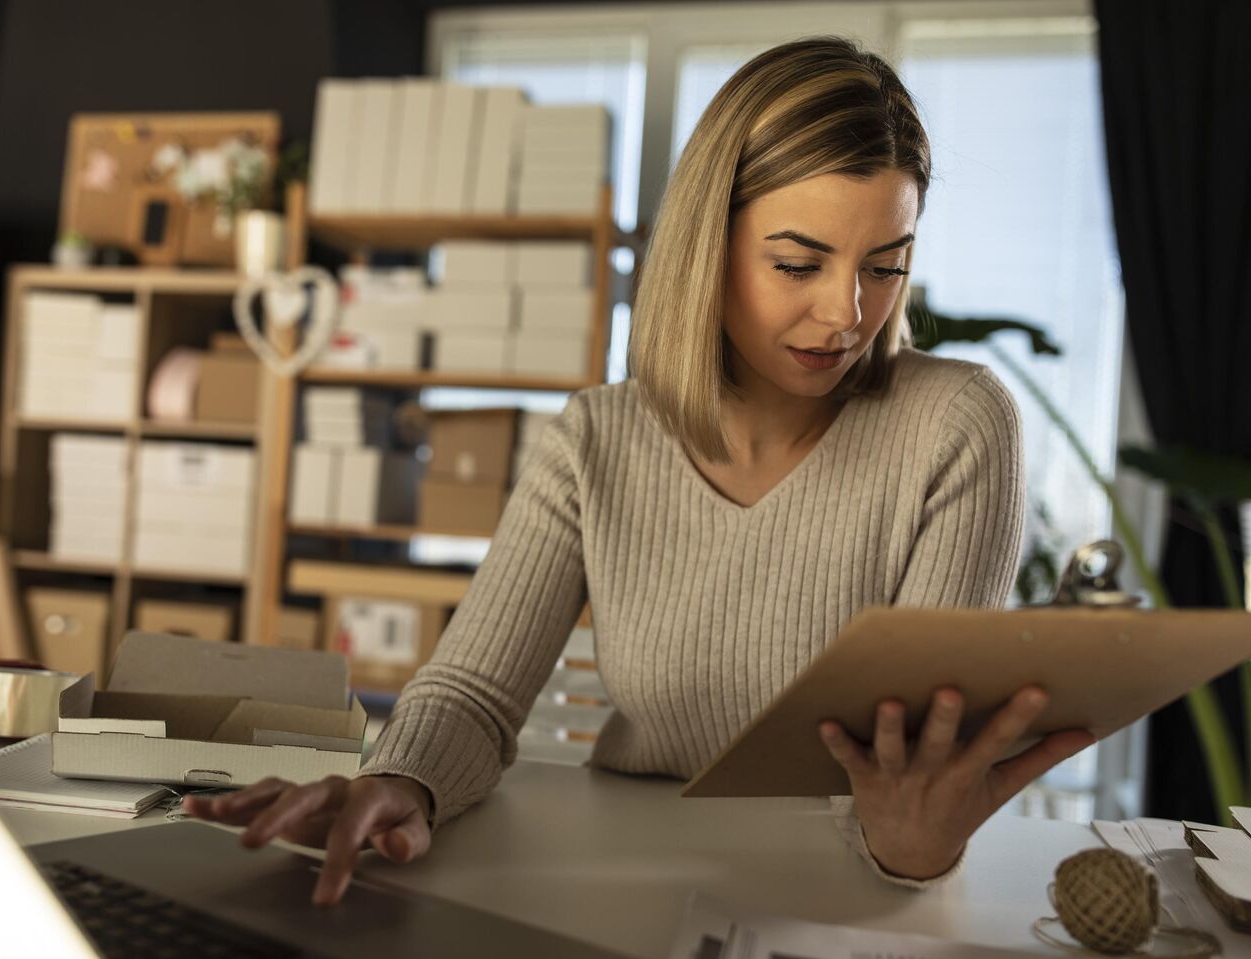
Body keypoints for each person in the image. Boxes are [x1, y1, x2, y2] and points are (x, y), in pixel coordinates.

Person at [186, 36, 1095, 905]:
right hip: (622, 861)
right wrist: (400, 781)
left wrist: (913, 848)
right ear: (709, 244)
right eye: (797, 262)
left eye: (885, 266)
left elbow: (919, 772)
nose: (846, 314)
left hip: (861, 893)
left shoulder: (957, 427)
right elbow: (473, 691)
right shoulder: (597, 440)